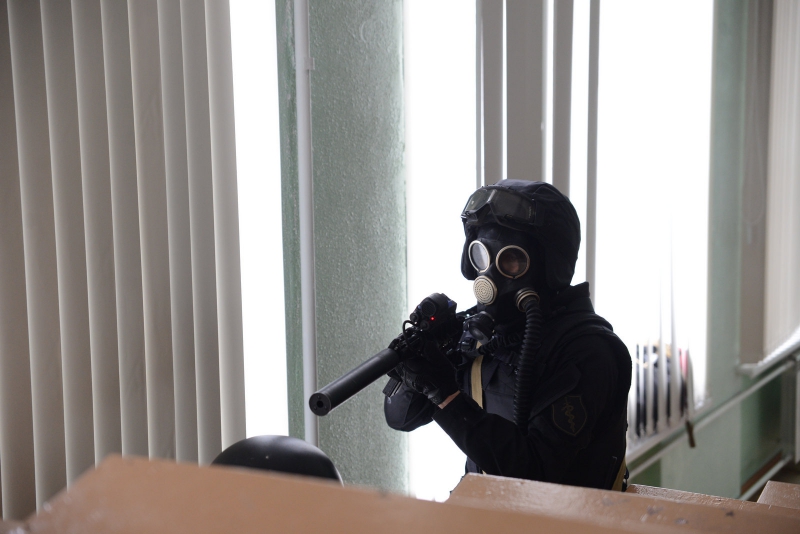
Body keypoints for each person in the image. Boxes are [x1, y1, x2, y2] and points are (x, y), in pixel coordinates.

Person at [383, 179, 632, 490]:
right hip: (490, 508)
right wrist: (424, 362)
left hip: (569, 515)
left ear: (550, 267)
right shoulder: (478, 334)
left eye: (511, 260)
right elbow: (400, 418)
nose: (490, 274)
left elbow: (537, 476)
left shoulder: (587, 353)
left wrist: (447, 397)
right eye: (481, 255)